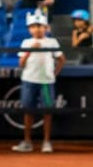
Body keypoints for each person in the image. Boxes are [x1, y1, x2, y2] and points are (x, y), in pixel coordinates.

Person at [15, 11, 61, 154]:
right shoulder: (26, 42)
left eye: (40, 26)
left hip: (46, 82)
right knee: (28, 110)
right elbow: (21, 63)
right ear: (29, 29)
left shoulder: (52, 42)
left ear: (46, 28)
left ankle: (46, 141)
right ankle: (27, 141)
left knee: (47, 111)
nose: (37, 29)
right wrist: (29, 51)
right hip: (29, 80)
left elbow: (61, 58)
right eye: (34, 26)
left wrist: (54, 73)